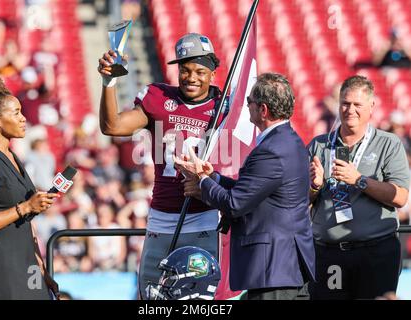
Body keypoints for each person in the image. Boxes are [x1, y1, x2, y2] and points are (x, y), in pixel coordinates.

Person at [98, 33, 224, 298]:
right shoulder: (158, 97)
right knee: (152, 296)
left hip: (205, 216)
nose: (192, 78)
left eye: (200, 71)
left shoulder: (225, 107)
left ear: (213, 72)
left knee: (199, 300)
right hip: (162, 217)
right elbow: (112, 126)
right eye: (185, 70)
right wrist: (109, 83)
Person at [174, 73, 316, 300]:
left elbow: (235, 203)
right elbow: (253, 191)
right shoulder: (289, 141)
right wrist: (214, 177)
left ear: (263, 110)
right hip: (283, 268)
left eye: (249, 101)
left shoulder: (271, 150)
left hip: (273, 269)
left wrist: (201, 178)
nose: (246, 106)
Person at [308, 75, 410, 300]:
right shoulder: (319, 145)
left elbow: (401, 197)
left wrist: (359, 180)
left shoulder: (388, 143)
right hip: (329, 252)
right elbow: (300, 200)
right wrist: (314, 187)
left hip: (376, 251)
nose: (349, 109)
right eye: (345, 103)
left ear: (371, 107)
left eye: (357, 104)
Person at [0, 72, 60, 300]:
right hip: (0, 264)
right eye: (16, 112)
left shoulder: (13, 157)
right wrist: (26, 207)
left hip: (28, 263)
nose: (23, 118)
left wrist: (42, 269)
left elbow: (27, 225)